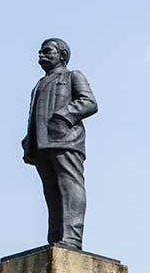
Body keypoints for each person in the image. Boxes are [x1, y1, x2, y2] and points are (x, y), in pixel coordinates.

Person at [22, 38, 97, 250]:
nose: (41, 55)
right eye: (39, 52)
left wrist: (63, 117)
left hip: (66, 141)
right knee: (52, 191)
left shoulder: (73, 76)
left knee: (70, 186)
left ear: (62, 55)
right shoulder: (39, 85)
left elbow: (89, 102)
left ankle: (72, 238)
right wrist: (30, 138)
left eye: (47, 51)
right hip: (42, 145)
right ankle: (56, 238)